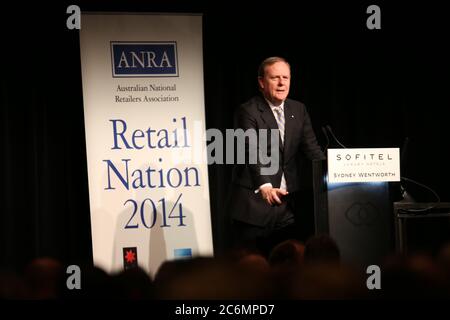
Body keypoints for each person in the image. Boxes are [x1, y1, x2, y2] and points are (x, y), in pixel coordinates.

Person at [229, 56, 325, 257]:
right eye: (275, 78)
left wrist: (339, 173)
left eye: (286, 77)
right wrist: (264, 186)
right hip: (253, 207)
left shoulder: (298, 109)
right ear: (262, 82)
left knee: (289, 268)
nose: (282, 83)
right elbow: (251, 151)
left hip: (287, 208)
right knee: (253, 272)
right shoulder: (248, 111)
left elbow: (313, 150)